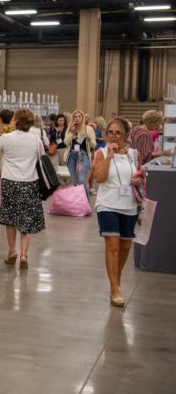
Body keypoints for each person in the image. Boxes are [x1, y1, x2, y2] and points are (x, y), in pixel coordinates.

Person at [0, 108, 46, 270]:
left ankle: (12, 251)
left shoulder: (6, 138)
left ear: (15, 121)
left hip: (10, 182)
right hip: (30, 182)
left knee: (11, 218)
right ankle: (24, 254)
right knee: (27, 219)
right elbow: (42, 157)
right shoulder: (35, 139)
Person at [92, 118, 142, 307]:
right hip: (108, 205)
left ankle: (117, 279)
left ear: (126, 135)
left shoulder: (134, 154)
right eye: (110, 132)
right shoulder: (101, 153)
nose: (113, 136)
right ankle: (114, 289)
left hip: (129, 205)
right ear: (106, 134)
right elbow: (100, 178)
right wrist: (110, 156)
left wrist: (139, 180)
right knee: (112, 245)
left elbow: (139, 174)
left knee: (125, 247)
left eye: (118, 132)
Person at [64, 110, 96, 197]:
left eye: (79, 117)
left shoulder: (88, 129)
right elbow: (66, 143)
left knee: (82, 179)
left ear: (83, 118)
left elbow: (94, 144)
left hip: (83, 155)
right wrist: (71, 131)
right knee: (73, 180)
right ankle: (77, 203)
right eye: (75, 117)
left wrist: (89, 140)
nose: (77, 119)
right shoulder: (70, 128)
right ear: (72, 118)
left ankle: (86, 202)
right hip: (72, 155)